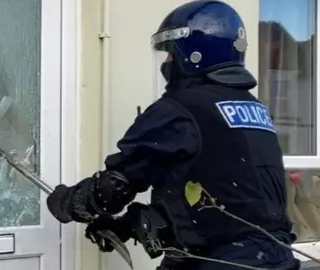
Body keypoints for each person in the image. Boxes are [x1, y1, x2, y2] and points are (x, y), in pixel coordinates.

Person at [46, 1, 299, 269]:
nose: (166, 63)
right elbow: (227, 196)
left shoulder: (180, 109)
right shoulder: (254, 110)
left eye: (170, 54)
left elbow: (115, 187)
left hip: (219, 263)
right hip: (275, 259)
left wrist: (67, 202)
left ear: (194, 54)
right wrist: (128, 225)